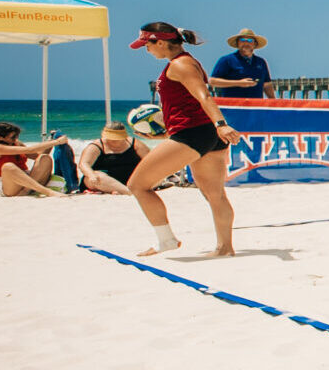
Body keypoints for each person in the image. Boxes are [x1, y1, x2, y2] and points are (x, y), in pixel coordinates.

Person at [125, 22, 241, 256]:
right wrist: (163, 134)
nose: (146, 51)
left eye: (147, 45)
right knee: (214, 194)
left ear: (160, 42)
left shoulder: (180, 65)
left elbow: (204, 96)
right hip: (201, 133)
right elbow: (189, 110)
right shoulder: (184, 62)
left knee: (137, 186)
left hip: (196, 134)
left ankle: (166, 240)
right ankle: (225, 248)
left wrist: (222, 124)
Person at [0, 122, 71, 197]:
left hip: (29, 182)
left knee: (44, 158)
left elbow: (37, 155)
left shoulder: (16, 143)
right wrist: (57, 142)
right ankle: (47, 192)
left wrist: (51, 140)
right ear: (0, 138)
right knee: (8, 167)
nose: (16, 139)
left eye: (17, 136)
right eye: (13, 137)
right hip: (11, 184)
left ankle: (26, 191)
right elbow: (29, 150)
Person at [73, 122, 150, 194]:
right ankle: (128, 192)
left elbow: (149, 159)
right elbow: (84, 164)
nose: (112, 140)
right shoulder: (97, 146)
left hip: (132, 178)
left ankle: (132, 189)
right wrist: (91, 174)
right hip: (104, 180)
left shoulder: (134, 143)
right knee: (98, 177)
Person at [208, 29, 273, 98]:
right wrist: (239, 83)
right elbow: (212, 81)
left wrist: (273, 101)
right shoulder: (227, 60)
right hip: (234, 106)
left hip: (256, 106)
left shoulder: (261, 62)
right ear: (237, 43)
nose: (246, 43)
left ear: (255, 44)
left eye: (250, 40)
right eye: (242, 40)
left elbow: (267, 84)